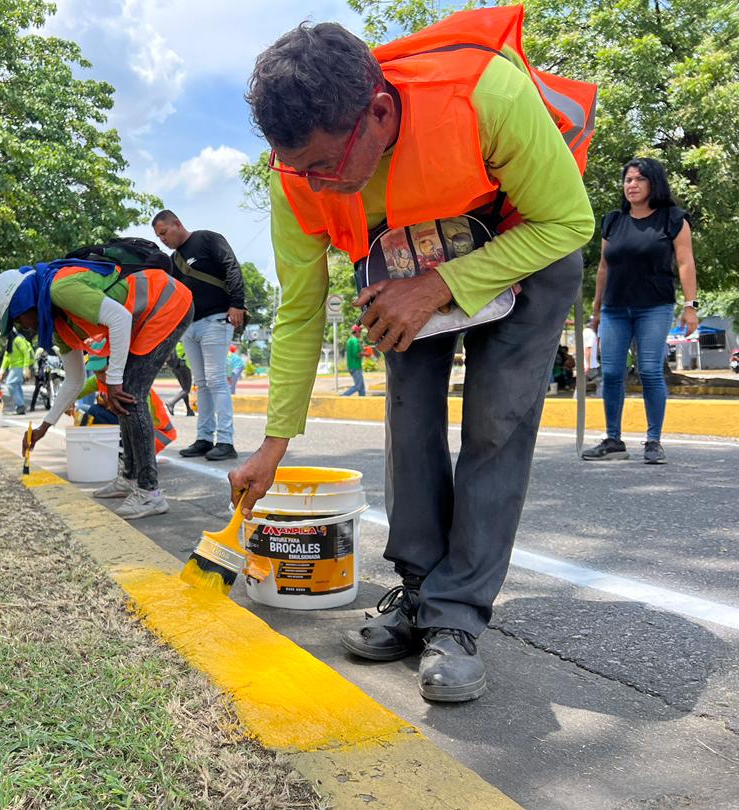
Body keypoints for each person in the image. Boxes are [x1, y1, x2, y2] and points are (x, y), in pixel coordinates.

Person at [232, 8, 596, 702]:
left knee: (496, 423)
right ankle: (420, 593)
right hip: (406, 264)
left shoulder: (485, 93)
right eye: (295, 167)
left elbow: (569, 221)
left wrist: (441, 286)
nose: (313, 183)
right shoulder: (296, 176)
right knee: (409, 413)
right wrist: (272, 446)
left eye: (323, 166)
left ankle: (456, 618)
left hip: (528, 247)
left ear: (376, 111)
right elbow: (302, 310)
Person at [0, 257, 193, 519]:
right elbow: (74, 380)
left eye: (18, 319)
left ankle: (149, 493)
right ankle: (129, 477)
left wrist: (115, 380)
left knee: (128, 391)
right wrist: (44, 427)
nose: (24, 327)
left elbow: (119, 318)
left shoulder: (61, 289)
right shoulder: (58, 325)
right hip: (142, 317)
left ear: (23, 302)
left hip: (167, 303)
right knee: (120, 393)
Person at [582, 157, 698, 465]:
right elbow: (604, 267)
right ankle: (613, 440)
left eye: (639, 180)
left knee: (649, 370)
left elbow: (685, 262)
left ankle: (653, 441)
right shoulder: (613, 221)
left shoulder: (672, 219)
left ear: (653, 183)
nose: (631, 185)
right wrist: (596, 310)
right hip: (615, 309)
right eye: (628, 180)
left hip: (655, 307)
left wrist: (691, 306)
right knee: (610, 372)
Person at [152, 210, 246, 461]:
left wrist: (237, 303)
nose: (163, 239)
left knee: (216, 381)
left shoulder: (208, 239)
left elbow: (231, 267)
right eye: (158, 236)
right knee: (201, 383)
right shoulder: (173, 261)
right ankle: (204, 438)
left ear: (177, 224)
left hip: (216, 320)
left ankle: (226, 441)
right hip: (190, 326)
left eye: (164, 233)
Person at [0, 331, 34, 415]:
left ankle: (20, 405)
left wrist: (25, 367)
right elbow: (6, 356)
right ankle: (20, 407)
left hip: (19, 366)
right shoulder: (10, 341)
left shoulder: (18, 339)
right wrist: (2, 369)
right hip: (13, 366)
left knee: (10, 384)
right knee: (16, 386)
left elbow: (26, 353)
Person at [164, 342, 195, 416]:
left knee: (184, 389)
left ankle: (189, 410)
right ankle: (171, 403)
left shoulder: (176, 342)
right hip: (184, 366)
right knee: (186, 389)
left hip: (175, 367)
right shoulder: (185, 341)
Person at [341, 324, 367, 397]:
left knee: (362, 387)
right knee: (358, 386)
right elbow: (357, 354)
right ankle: (344, 396)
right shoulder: (355, 341)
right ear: (356, 332)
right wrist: (366, 354)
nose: (361, 333)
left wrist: (363, 350)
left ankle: (363, 401)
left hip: (352, 365)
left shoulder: (350, 340)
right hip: (355, 366)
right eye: (360, 331)